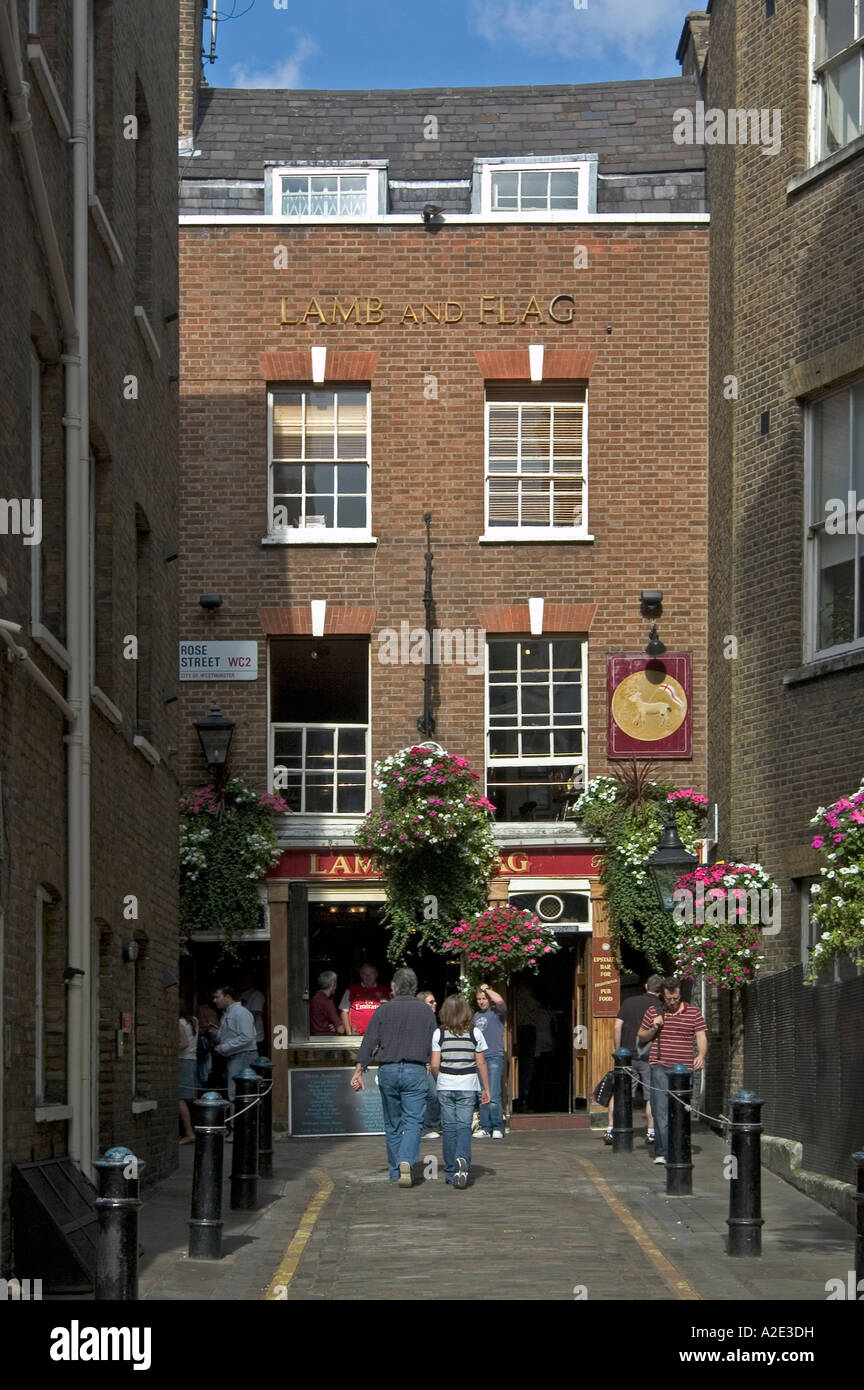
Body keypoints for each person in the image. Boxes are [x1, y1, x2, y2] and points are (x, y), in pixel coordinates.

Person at [349, 967, 436, 1187]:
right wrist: (430, 1063)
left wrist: (359, 1070)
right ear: (414, 988)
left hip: (388, 1069)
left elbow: (369, 1042)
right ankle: (406, 1160)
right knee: (414, 1121)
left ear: (394, 988)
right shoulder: (426, 1011)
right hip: (415, 1070)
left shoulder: (383, 1010)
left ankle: (395, 1171)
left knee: (392, 1122)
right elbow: (434, 1043)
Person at [637, 977, 707, 1166]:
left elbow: (700, 1034)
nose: (671, 1002)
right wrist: (654, 1026)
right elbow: (642, 1036)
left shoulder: (693, 1012)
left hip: (683, 1069)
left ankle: (679, 1147)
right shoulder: (654, 1011)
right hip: (659, 1065)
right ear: (663, 996)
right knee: (660, 1109)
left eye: (675, 998)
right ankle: (662, 1151)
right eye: (668, 999)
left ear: (679, 993)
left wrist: (701, 1054)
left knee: (680, 1110)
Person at [431, 993, 491, 1189]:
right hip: (468, 1084)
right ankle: (462, 1161)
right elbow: (481, 1063)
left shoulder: (439, 1033)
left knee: (448, 1128)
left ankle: (450, 1171)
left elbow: (434, 1064)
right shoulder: (475, 1033)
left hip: (446, 1084)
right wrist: (486, 1088)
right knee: (464, 1126)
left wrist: (439, 1079)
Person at [606, 974, 664, 1146]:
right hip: (648, 1056)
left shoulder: (629, 1002)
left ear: (645, 986)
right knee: (650, 1095)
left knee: (620, 1093)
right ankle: (651, 1132)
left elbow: (617, 1027)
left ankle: (610, 1129)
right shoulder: (660, 1006)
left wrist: (619, 1051)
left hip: (627, 1056)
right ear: (661, 991)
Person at [211, 984, 258, 1129]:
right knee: (237, 1093)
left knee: (237, 1093)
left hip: (243, 1056)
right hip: (236, 1056)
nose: (214, 1000)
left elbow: (246, 1037)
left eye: (217, 997)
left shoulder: (240, 1013)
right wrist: (216, 1035)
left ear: (228, 997)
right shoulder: (228, 1013)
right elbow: (232, 1035)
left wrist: (224, 1047)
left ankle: (239, 1129)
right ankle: (238, 1128)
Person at [473, 982, 507, 1138]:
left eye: (484, 998)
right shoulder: (475, 1016)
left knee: (493, 1093)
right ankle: (485, 1127)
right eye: (479, 998)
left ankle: (497, 1127)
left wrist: (486, 989)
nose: (481, 1001)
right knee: (482, 1094)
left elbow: (500, 1001)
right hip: (480, 1058)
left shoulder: (497, 1012)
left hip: (493, 1056)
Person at [339, 962, 391, 1036]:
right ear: (360, 975)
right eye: (364, 974)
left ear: (376, 974)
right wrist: (349, 1034)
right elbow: (344, 1011)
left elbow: (392, 1013)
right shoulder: (352, 990)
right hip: (357, 1036)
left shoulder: (385, 991)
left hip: (379, 1036)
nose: (368, 976)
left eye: (371, 973)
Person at [417, 990, 441, 1138]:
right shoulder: (418, 1022)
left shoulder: (432, 1019)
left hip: (433, 1062)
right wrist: (426, 1061)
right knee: (432, 1094)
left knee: (437, 1094)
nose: (435, 1004)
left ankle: (435, 1125)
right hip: (423, 1063)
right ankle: (428, 1128)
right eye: (430, 1002)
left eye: (434, 1001)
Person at [178, 1007, 198, 1144]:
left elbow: (183, 1044)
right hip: (192, 1060)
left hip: (183, 1061)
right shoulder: (194, 1021)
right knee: (188, 1098)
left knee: (180, 1099)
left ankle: (189, 1132)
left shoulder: (179, 1022)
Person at [310, 970, 346, 1035]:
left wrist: (333, 1025)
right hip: (327, 1038)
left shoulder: (314, 998)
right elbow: (341, 1030)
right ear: (333, 984)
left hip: (313, 1037)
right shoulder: (327, 1002)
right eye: (336, 983)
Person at [239, 973, 266, 1050]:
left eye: (245, 980)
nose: (242, 982)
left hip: (255, 1037)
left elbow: (253, 1015)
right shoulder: (242, 994)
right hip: (244, 1037)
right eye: (242, 980)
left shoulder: (257, 994)